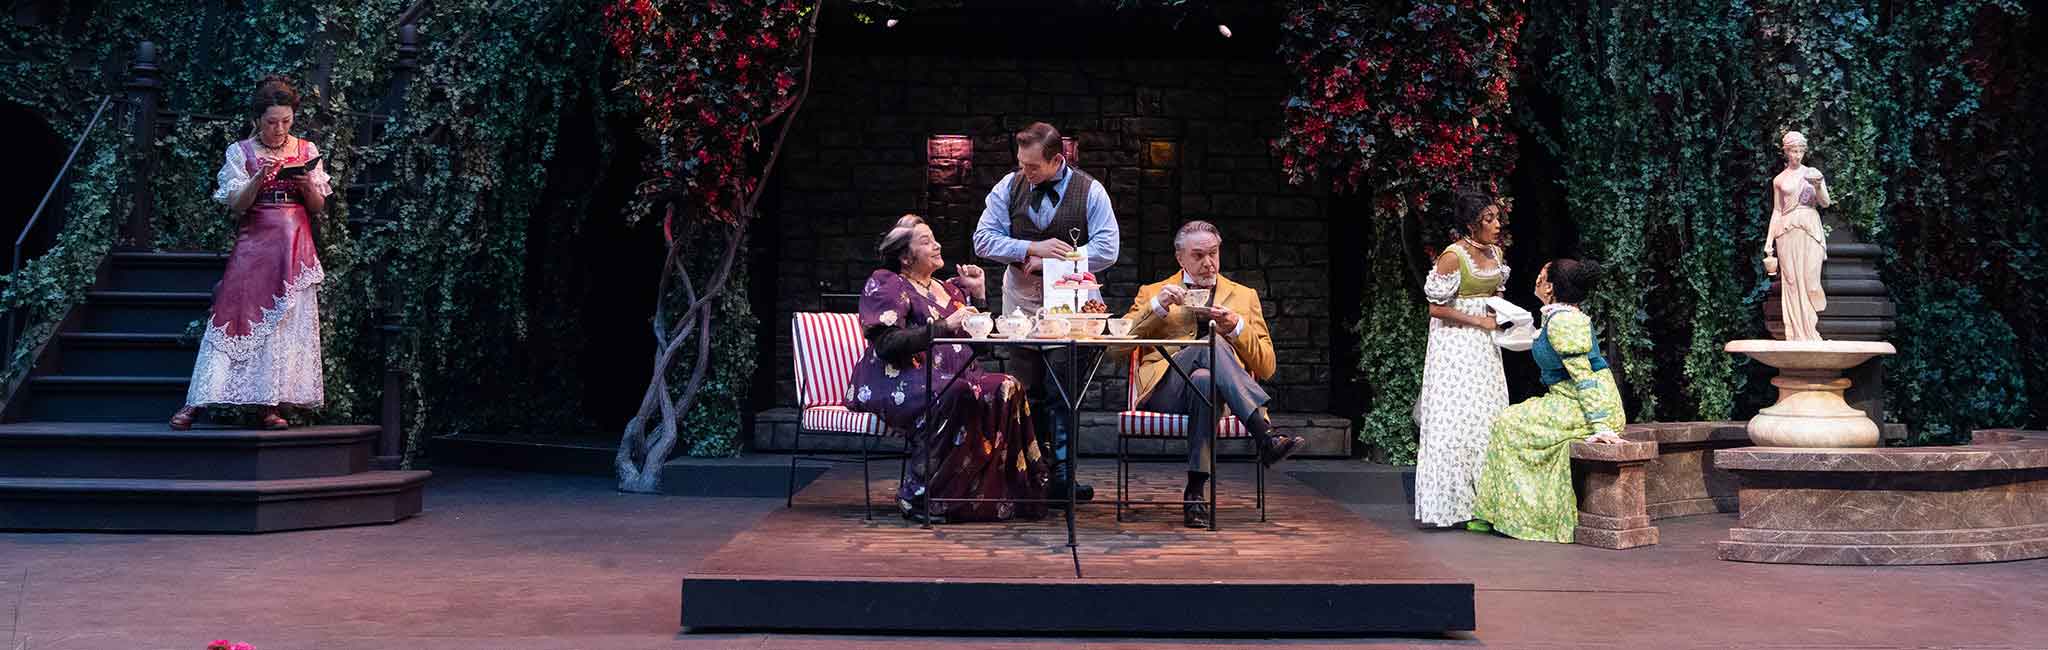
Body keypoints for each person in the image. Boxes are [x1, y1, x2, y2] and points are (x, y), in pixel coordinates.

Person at [849, 215, 1049, 522]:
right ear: (905, 255)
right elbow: (886, 343)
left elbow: (980, 342)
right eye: (925, 241)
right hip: (899, 378)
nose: (937, 244)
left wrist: (979, 295)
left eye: (934, 238)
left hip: (957, 377)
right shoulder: (888, 283)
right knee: (958, 391)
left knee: (1009, 384)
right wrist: (944, 325)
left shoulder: (950, 290)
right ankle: (918, 495)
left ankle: (989, 494)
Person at [971, 121, 1120, 503]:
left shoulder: (1091, 191)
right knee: (1027, 391)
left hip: (1070, 308)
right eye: (1021, 163)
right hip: (1020, 306)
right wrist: (1031, 249)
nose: (1025, 172)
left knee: (1061, 392)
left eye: (1033, 166)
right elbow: (983, 240)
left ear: (1057, 160)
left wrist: (1059, 261)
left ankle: (1063, 477)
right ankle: (1030, 476)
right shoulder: (1008, 186)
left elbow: (1108, 249)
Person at [170, 75, 329, 431]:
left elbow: (318, 207)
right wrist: (258, 179)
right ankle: (195, 402)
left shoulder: (306, 149)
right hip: (255, 242)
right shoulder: (240, 151)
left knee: (283, 323)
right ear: (257, 119)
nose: (279, 129)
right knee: (231, 315)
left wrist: (305, 185)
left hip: (294, 243)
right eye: (272, 122)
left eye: (286, 121)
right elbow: (237, 205)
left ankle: (269, 405)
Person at [1122, 220, 1306, 528]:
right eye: (1199, 255)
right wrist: (1158, 308)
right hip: (1165, 391)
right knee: (1210, 345)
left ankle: (1195, 492)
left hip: (1215, 393)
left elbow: (1267, 366)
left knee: (1205, 378)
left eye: (1214, 253)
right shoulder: (1153, 292)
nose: (1209, 263)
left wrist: (1236, 327)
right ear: (1180, 258)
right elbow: (1117, 348)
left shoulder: (1243, 296)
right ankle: (1264, 435)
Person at [1471, 259, 1628, 543]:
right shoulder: (1558, 316)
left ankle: (1533, 517)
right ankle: (1504, 513)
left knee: (1510, 424)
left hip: (1585, 405)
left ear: (1551, 287)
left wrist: (1601, 426)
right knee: (1510, 421)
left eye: (1541, 275)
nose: (1536, 280)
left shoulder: (1565, 322)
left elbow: (1585, 378)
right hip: (1567, 398)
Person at [1412, 191, 1511, 529]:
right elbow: (1436, 308)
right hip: (1454, 346)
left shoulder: (1496, 253)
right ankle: (1450, 506)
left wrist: (1501, 317)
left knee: (1486, 417)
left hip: (1486, 346)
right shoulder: (1453, 257)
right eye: (1489, 219)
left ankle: (1483, 504)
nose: (1497, 225)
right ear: (1471, 224)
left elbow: (1496, 296)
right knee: (1455, 420)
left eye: (1497, 218)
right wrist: (1479, 320)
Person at [1763, 130, 1833, 341]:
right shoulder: (1779, 180)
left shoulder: (1812, 173)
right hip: (1786, 230)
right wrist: (1769, 242)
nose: (1797, 155)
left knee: (1810, 280)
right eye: (1793, 151)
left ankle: (1811, 330)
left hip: (1809, 227)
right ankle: (1797, 334)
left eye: (1800, 151)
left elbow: (1825, 203)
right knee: (1791, 282)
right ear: (1786, 152)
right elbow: (1777, 210)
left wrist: (1818, 186)